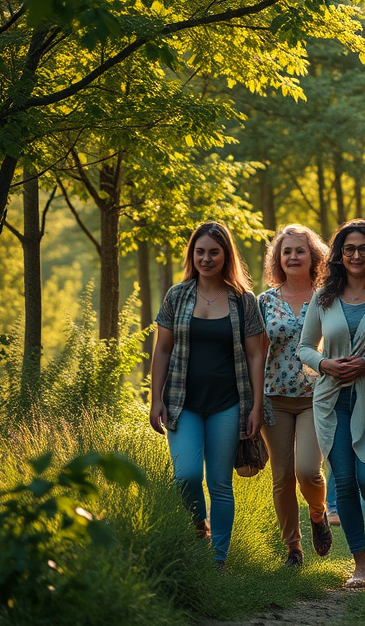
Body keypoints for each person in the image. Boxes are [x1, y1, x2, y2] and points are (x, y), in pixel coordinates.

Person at [149, 221, 267, 572]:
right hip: (182, 402)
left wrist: (257, 406)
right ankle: (199, 526)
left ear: (225, 255)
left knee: (219, 483)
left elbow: (256, 354)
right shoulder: (177, 295)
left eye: (213, 252)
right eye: (200, 252)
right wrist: (156, 399)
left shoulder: (243, 301)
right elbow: (163, 350)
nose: (206, 258)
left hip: (228, 404)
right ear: (192, 255)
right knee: (185, 476)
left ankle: (218, 560)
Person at [298, 220, 365, 588]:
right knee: (343, 482)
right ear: (339, 254)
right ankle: (361, 564)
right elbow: (305, 346)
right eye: (349, 249)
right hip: (332, 400)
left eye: (364, 248)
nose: (356, 255)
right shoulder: (324, 295)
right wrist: (324, 363)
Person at [258, 225, 333, 567]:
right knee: (282, 476)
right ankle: (294, 549)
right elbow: (255, 353)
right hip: (274, 396)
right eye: (286, 252)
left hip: (315, 397)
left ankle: (318, 516)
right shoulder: (265, 301)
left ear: (313, 256)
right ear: (278, 259)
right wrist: (253, 400)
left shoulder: (328, 296)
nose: (292, 257)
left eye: (299, 250)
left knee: (308, 471)